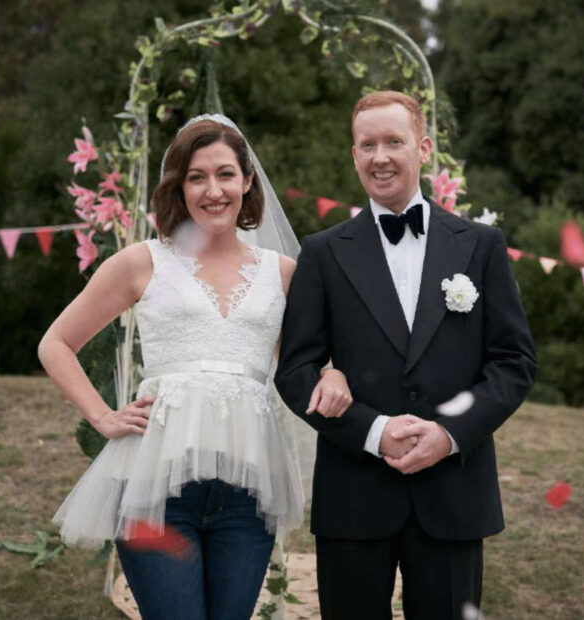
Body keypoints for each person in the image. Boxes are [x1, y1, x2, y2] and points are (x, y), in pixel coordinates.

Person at [39, 115, 352, 620]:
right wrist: (102, 417)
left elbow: (310, 362)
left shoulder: (284, 273)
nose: (213, 190)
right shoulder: (141, 262)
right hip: (155, 490)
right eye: (197, 177)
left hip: (249, 495)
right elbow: (55, 343)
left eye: (226, 174)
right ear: (179, 186)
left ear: (247, 181)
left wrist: (334, 373)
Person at [275, 91, 538, 620]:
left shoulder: (481, 245)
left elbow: (513, 363)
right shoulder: (323, 252)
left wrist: (448, 434)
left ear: (422, 148)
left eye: (393, 141)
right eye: (367, 145)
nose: (380, 157)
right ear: (353, 156)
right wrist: (373, 431)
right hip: (354, 496)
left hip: (453, 494)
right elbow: (295, 370)